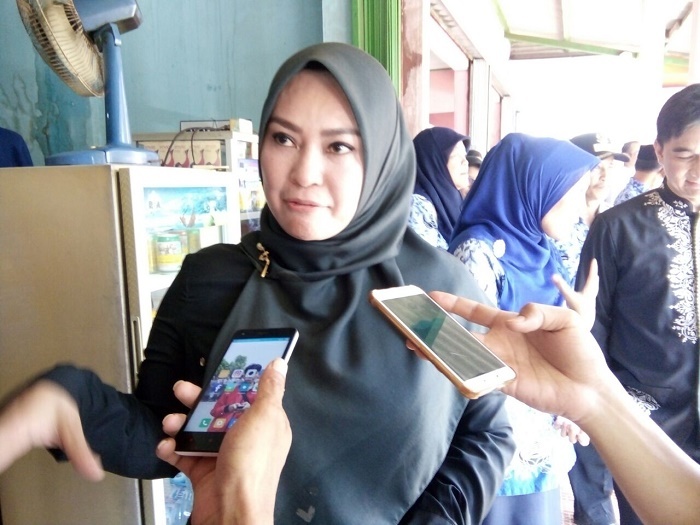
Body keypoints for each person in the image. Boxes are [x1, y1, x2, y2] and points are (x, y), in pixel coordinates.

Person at [0, 43, 514, 524]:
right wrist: (73, 402)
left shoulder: (432, 293)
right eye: (284, 139)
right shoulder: (212, 280)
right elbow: (167, 436)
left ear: (381, 156)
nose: (304, 173)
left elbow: (487, 433)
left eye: (339, 146)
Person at [448, 132, 600, 525]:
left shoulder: (543, 250)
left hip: (539, 442)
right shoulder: (478, 253)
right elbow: (468, 361)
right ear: (536, 188)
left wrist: (580, 330)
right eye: (573, 193)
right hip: (496, 446)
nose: (580, 208)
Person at [570, 83, 700, 525]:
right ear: (659, 150)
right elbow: (593, 327)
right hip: (645, 427)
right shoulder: (617, 228)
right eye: (684, 154)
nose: (697, 170)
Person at [408, 126, 471, 248]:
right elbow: (425, 257)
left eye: (465, 156)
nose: (465, 162)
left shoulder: (457, 201)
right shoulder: (417, 205)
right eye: (456, 156)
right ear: (434, 162)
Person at [570, 133, 630, 225]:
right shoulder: (557, 222)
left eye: (610, 165)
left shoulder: (615, 219)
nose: (605, 176)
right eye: (596, 167)